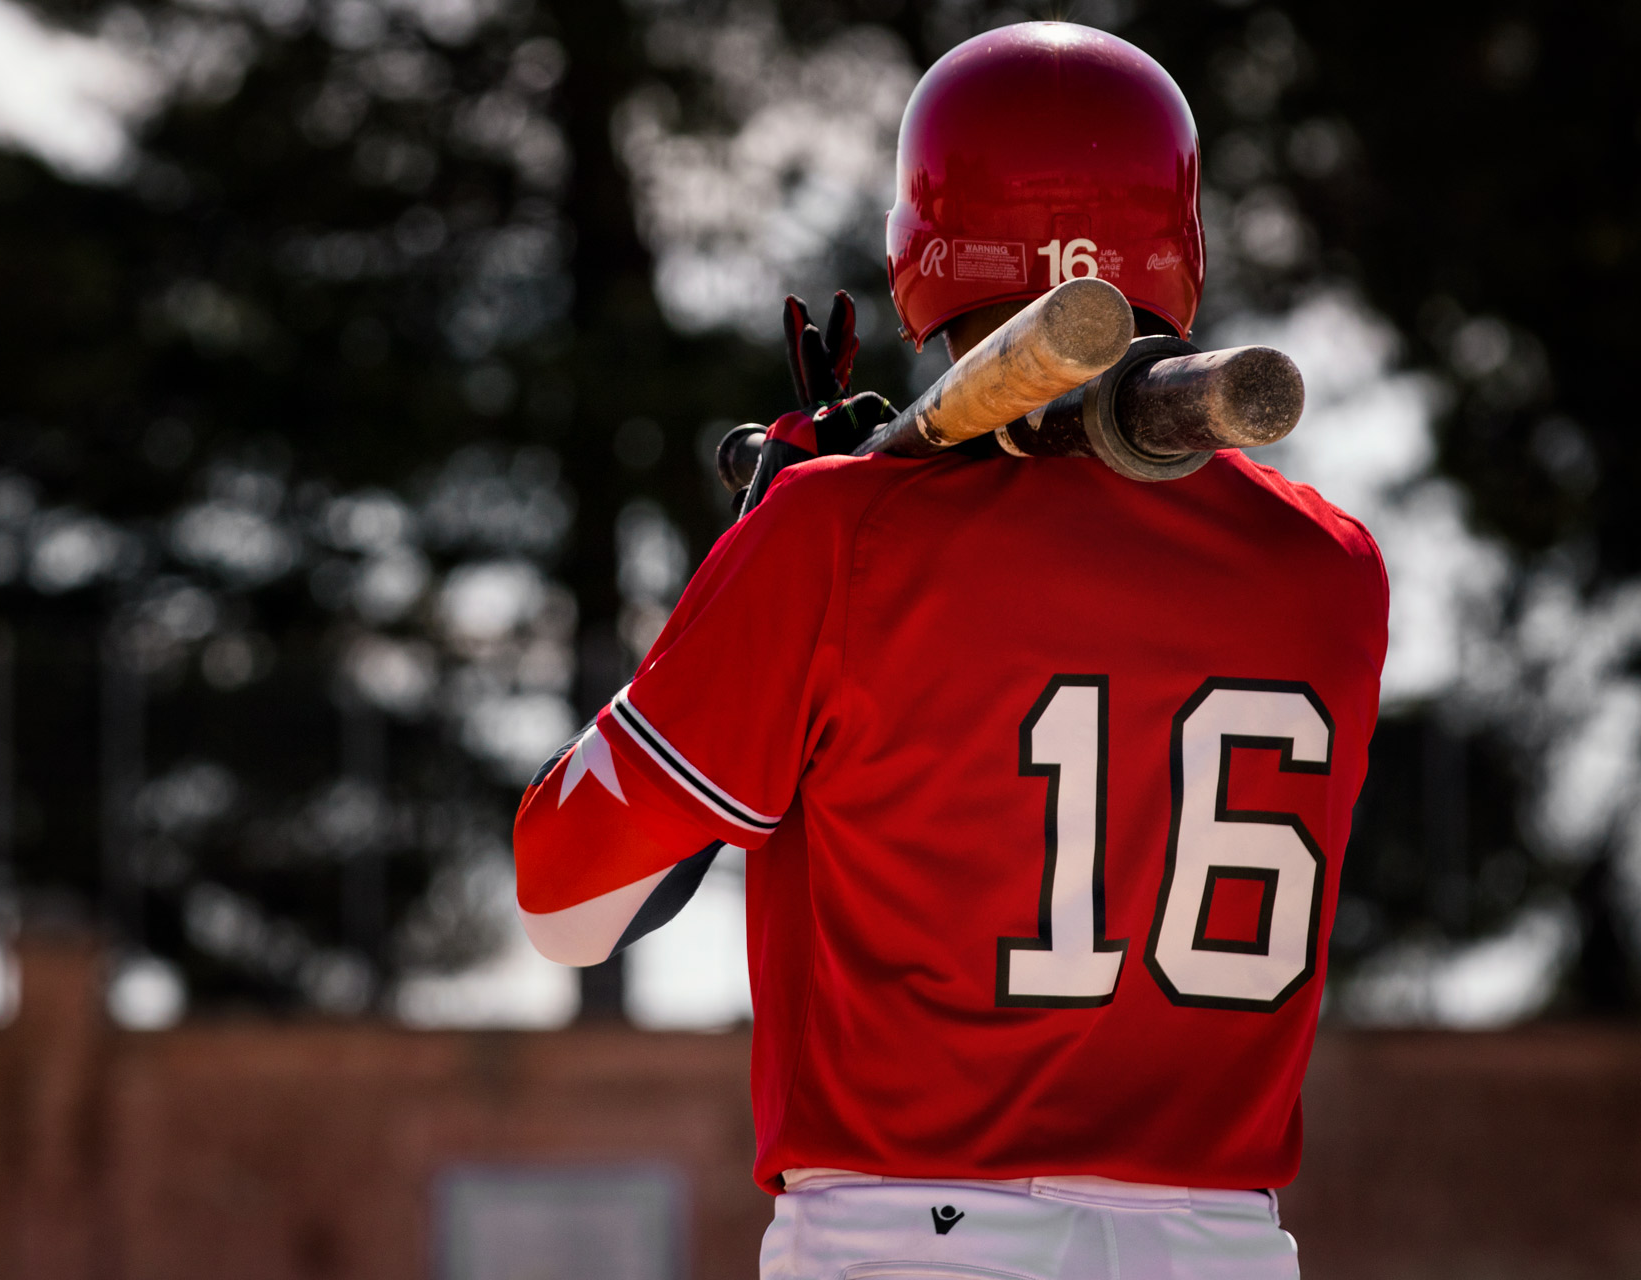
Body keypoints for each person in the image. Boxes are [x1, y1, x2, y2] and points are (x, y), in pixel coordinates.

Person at [513, 21, 1387, 1280]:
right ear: (1181, 251)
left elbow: (566, 907)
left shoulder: (838, 534)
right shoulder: (1332, 569)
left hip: (908, 1238)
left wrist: (761, 548)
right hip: (1223, 1247)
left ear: (920, 254)